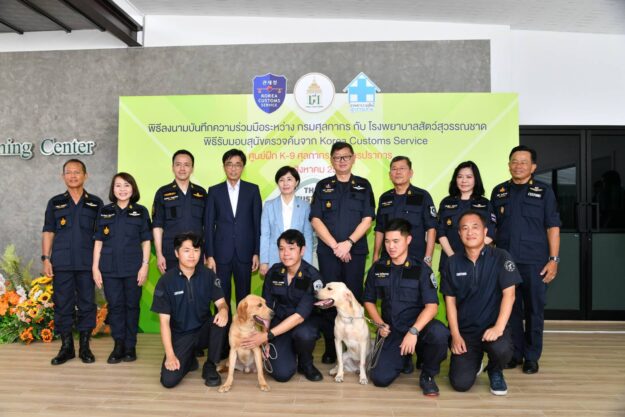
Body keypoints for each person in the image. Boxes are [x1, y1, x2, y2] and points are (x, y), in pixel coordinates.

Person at [490, 145, 561, 374]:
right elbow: (492, 229)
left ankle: (531, 356)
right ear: (508, 165)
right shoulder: (499, 192)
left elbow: (553, 227)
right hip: (506, 262)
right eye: (514, 161)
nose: (518, 165)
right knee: (510, 310)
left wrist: (553, 259)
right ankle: (515, 353)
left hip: (535, 262)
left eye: (523, 162)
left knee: (534, 310)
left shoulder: (544, 191)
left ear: (533, 167)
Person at [363, 218, 449, 395]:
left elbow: (432, 306)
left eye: (396, 241)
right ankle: (405, 357)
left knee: (439, 333)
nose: (391, 246)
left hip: (419, 328)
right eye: (387, 241)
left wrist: (413, 331)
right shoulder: (378, 268)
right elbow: (368, 300)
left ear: (408, 240)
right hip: (392, 330)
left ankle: (428, 375)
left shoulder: (421, 269)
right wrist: (379, 323)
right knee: (379, 378)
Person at [441, 210, 521, 395]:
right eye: (465, 228)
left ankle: (495, 369)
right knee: (460, 384)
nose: (470, 232)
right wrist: (455, 335)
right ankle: (474, 361)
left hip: (493, 328)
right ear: (459, 233)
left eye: (475, 227)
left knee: (501, 350)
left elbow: (510, 295)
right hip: (466, 332)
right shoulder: (452, 263)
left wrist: (499, 328)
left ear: (485, 231)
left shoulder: (501, 256)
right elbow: (449, 302)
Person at [309, 142, 375, 363]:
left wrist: (348, 243)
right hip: (329, 253)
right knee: (329, 300)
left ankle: (355, 350)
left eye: (346, 157)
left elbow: (367, 219)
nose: (342, 161)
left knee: (353, 298)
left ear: (353, 158)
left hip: (355, 252)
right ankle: (331, 347)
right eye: (337, 157)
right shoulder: (323, 186)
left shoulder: (363, 185)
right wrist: (336, 246)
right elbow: (315, 219)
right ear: (331, 160)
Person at [241, 229, 324, 382]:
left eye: (291, 248)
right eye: (281, 249)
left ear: (302, 250)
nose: (286, 254)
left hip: (303, 323)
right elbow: (265, 310)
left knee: (304, 335)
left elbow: (299, 317)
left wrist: (267, 336)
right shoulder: (274, 272)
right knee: (281, 374)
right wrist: (265, 338)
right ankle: (289, 352)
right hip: (279, 322)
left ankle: (306, 363)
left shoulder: (312, 276)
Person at [42, 159, 103, 365]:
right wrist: (46, 258)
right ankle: (66, 347)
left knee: (87, 304)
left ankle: (85, 347)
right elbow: (48, 231)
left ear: (86, 175)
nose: (73, 176)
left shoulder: (96, 203)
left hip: (87, 263)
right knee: (63, 304)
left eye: (77, 172)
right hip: (62, 263)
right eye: (69, 172)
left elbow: (101, 237)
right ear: (63, 176)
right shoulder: (55, 202)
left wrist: (98, 264)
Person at [151, 232, 228, 388]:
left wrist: (223, 310)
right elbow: (164, 323)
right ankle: (188, 359)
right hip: (181, 335)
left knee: (221, 320)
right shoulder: (166, 281)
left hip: (203, 331)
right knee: (169, 381)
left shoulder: (208, 275)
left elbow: (222, 303)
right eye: (186, 250)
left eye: (196, 250)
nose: (192, 255)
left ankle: (210, 365)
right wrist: (170, 355)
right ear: (176, 253)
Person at [92, 172, 152, 363]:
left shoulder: (141, 211)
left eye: (126, 185)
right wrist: (95, 268)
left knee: (132, 306)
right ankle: (118, 345)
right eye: (118, 185)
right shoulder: (104, 211)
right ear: (113, 189)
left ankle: (130, 346)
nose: (122, 189)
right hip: (109, 269)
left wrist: (144, 266)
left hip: (133, 268)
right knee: (116, 306)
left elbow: (146, 241)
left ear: (133, 189)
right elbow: (98, 241)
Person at [204, 148, 262, 306]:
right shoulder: (214, 191)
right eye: (229, 164)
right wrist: (210, 255)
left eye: (237, 164)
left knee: (244, 299)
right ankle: (223, 323)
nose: (233, 168)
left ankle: (243, 324)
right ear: (224, 166)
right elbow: (208, 226)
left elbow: (257, 224)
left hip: (245, 252)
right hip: (220, 254)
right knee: (221, 297)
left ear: (243, 167)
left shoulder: (252, 190)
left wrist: (256, 252)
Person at [374, 156, 437, 267]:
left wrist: (428, 258)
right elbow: (379, 229)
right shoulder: (385, 198)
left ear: (410, 173)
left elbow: (431, 228)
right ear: (390, 175)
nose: (398, 172)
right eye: (394, 169)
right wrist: (375, 255)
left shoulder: (422, 196)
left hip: (416, 259)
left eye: (402, 168)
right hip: (388, 259)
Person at [152, 150, 206, 273]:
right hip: (171, 254)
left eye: (186, 165)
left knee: (197, 285)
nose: (182, 168)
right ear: (172, 167)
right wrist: (159, 254)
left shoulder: (201, 193)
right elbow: (157, 226)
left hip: (196, 253)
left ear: (192, 168)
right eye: (178, 164)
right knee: (172, 285)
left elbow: (207, 226)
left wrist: (207, 253)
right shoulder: (163, 193)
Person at [437, 161, 496, 272]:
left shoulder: (485, 203)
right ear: (455, 179)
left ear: (475, 179)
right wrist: (453, 257)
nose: (464, 181)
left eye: (469, 177)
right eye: (460, 177)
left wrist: (473, 253)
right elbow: (440, 232)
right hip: (450, 261)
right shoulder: (446, 202)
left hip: (478, 262)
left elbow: (491, 232)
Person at [259, 166, 314, 276]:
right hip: (274, 257)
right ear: (277, 183)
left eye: (289, 179)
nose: (285, 183)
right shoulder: (269, 206)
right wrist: (264, 261)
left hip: (298, 259)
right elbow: (265, 235)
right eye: (281, 180)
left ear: (296, 182)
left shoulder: (305, 206)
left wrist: (307, 262)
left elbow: (308, 237)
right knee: (275, 286)